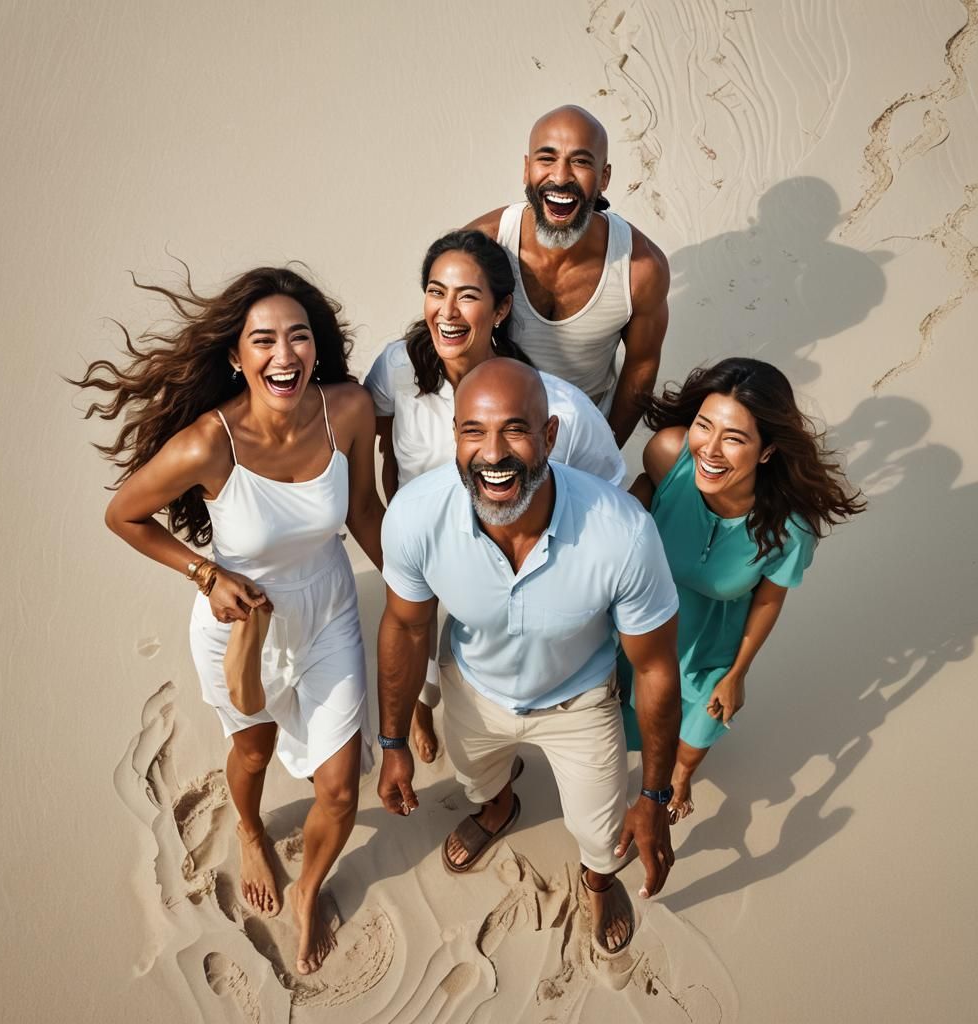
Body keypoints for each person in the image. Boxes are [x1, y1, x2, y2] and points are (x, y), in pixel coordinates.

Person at [72, 267, 385, 975]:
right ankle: (249, 829)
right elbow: (123, 514)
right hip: (241, 624)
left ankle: (309, 890)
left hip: (329, 610)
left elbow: (364, 509)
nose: (285, 355)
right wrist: (206, 574)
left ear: (316, 347)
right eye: (264, 340)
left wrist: (409, 592)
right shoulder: (209, 444)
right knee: (253, 751)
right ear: (237, 359)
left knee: (340, 788)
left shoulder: (349, 410)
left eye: (299, 337)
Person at [374, 358, 681, 955]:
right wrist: (392, 742)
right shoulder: (414, 516)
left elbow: (654, 668)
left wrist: (653, 795)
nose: (493, 454)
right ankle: (499, 807)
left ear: (550, 436)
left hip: (579, 701)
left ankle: (597, 881)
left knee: (602, 836)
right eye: (474, 431)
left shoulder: (622, 532)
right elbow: (406, 628)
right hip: (473, 689)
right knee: (476, 781)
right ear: (455, 435)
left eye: (515, 430)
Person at [365, 228, 626, 763]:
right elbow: (384, 444)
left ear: (501, 309)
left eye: (467, 296)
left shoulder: (559, 408)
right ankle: (419, 712)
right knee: (414, 637)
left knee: (485, 661)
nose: (447, 312)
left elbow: (608, 490)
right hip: (424, 545)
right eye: (436, 292)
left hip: (505, 553)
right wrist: (398, 522)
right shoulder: (396, 367)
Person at [626, 357, 866, 822]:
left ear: (767, 451)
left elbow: (770, 598)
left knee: (695, 737)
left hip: (711, 649)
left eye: (734, 438)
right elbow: (638, 501)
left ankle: (681, 779)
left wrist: (738, 672)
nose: (710, 450)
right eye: (704, 426)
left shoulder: (790, 531)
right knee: (632, 719)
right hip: (642, 630)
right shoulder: (668, 454)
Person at [467, 104, 670, 447]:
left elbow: (642, 365)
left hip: (580, 435)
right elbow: (449, 335)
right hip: (493, 434)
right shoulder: (485, 244)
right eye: (547, 159)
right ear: (527, 169)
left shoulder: (640, 267)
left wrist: (604, 448)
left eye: (581, 162)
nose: (560, 177)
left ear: (604, 178)